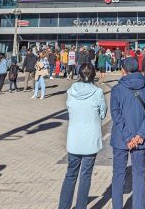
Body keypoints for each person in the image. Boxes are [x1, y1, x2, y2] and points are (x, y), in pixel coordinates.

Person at [58, 63, 107, 209]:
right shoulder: (97, 93)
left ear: (79, 74)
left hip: (74, 140)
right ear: (94, 75)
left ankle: (63, 206)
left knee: (70, 175)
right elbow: (103, 113)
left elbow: (69, 108)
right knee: (85, 176)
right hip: (90, 140)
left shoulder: (71, 91)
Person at [110, 57, 145, 209]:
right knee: (139, 176)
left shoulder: (117, 89)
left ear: (123, 70)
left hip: (121, 139)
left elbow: (116, 115)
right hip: (140, 139)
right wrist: (140, 135)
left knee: (118, 175)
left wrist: (128, 137)